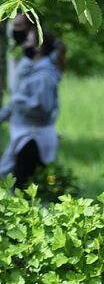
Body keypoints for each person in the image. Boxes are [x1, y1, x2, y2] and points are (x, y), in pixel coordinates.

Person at [0, 12, 65, 189]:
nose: (24, 43)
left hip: (34, 137)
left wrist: (19, 101)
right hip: (24, 134)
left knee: (24, 185)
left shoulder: (44, 76)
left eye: (29, 40)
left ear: (39, 47)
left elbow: (42, 107)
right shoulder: (29, 69)